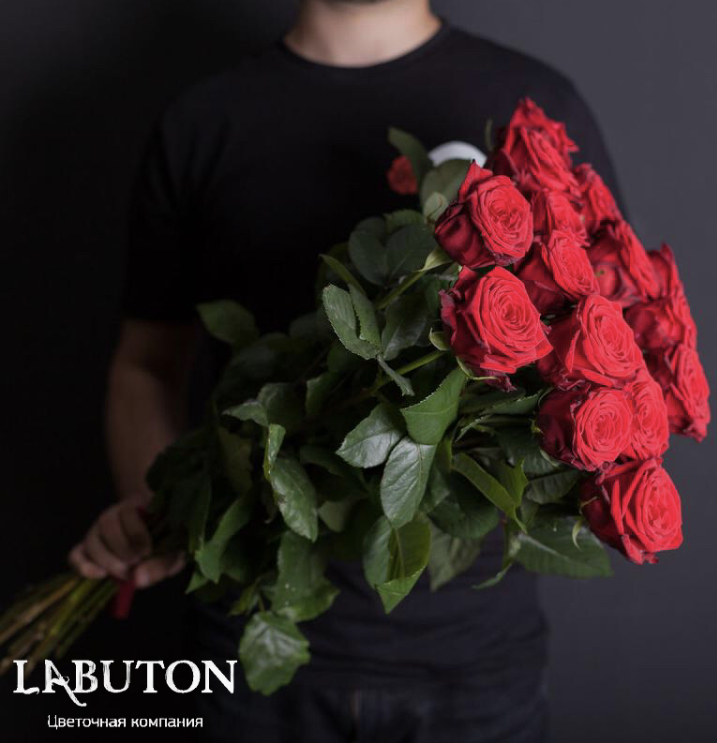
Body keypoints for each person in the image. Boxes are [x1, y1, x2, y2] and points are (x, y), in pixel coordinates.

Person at [68, 1, 621, 740]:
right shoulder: (204, 120)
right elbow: (146, 364)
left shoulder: (534, 108)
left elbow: (607, 354)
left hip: (473, 657)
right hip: (252, 644)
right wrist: (158, 504)